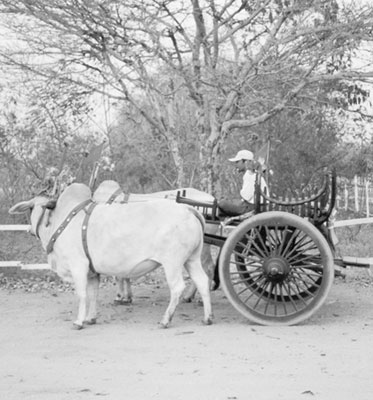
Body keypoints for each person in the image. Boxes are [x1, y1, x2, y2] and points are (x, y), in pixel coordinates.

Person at [218, 149, 268, 217]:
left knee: (222, 203)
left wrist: (240, 194)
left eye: (237, 162)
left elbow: (246, 196)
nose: (236, 165)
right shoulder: (253, 173)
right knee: (226, 202)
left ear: (245, 162)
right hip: (254, 205)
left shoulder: (250, 174)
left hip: (251, 207)